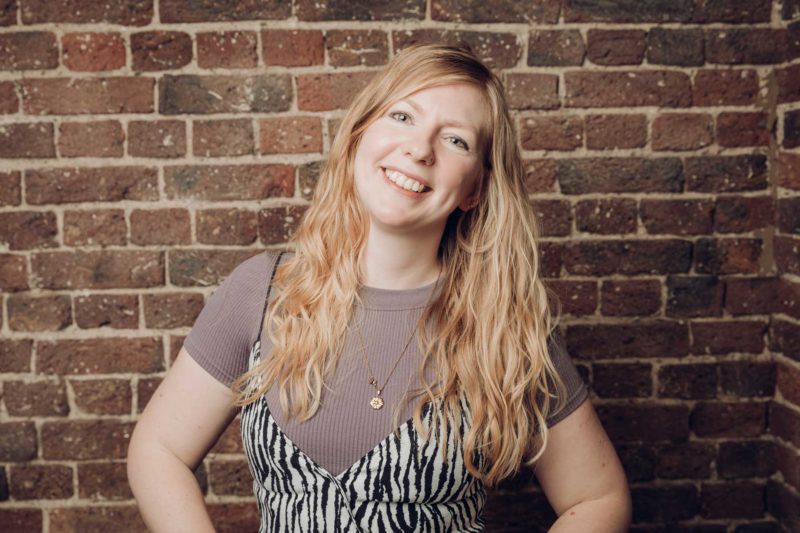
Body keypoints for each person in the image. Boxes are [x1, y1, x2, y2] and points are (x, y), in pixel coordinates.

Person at [127, 42, 632, 532]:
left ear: (476, 188)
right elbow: (159, 449)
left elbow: (598, 498)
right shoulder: (262, 291)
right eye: (403, 117)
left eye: (455, 139)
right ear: (360, 135)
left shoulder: (505, 326)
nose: (419, 149)